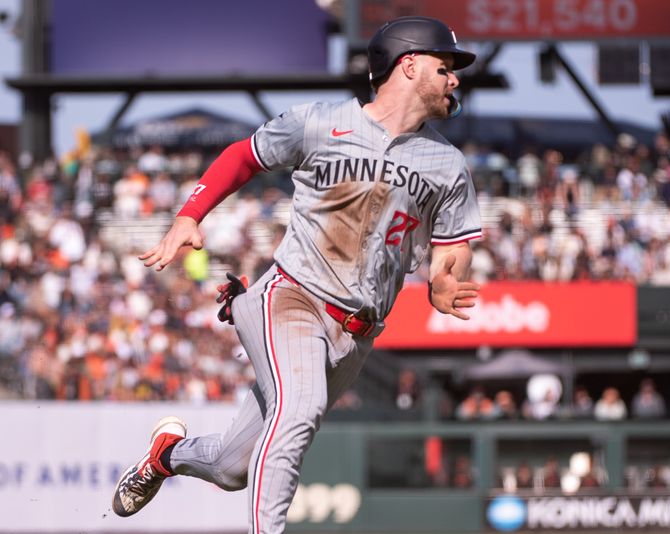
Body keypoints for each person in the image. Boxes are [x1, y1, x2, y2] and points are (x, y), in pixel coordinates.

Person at [111, 16, 482, 534]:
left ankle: (166, 455)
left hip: (355, 338)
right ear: (410, 64)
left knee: (231, 467)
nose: (455, 79)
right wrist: (190, 215)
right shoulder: (320, 122)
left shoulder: (448, 165)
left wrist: (445, 282)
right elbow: (245, 156)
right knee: (300, 407)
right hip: (294, 298)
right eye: (446, 67)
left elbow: (452, 248)